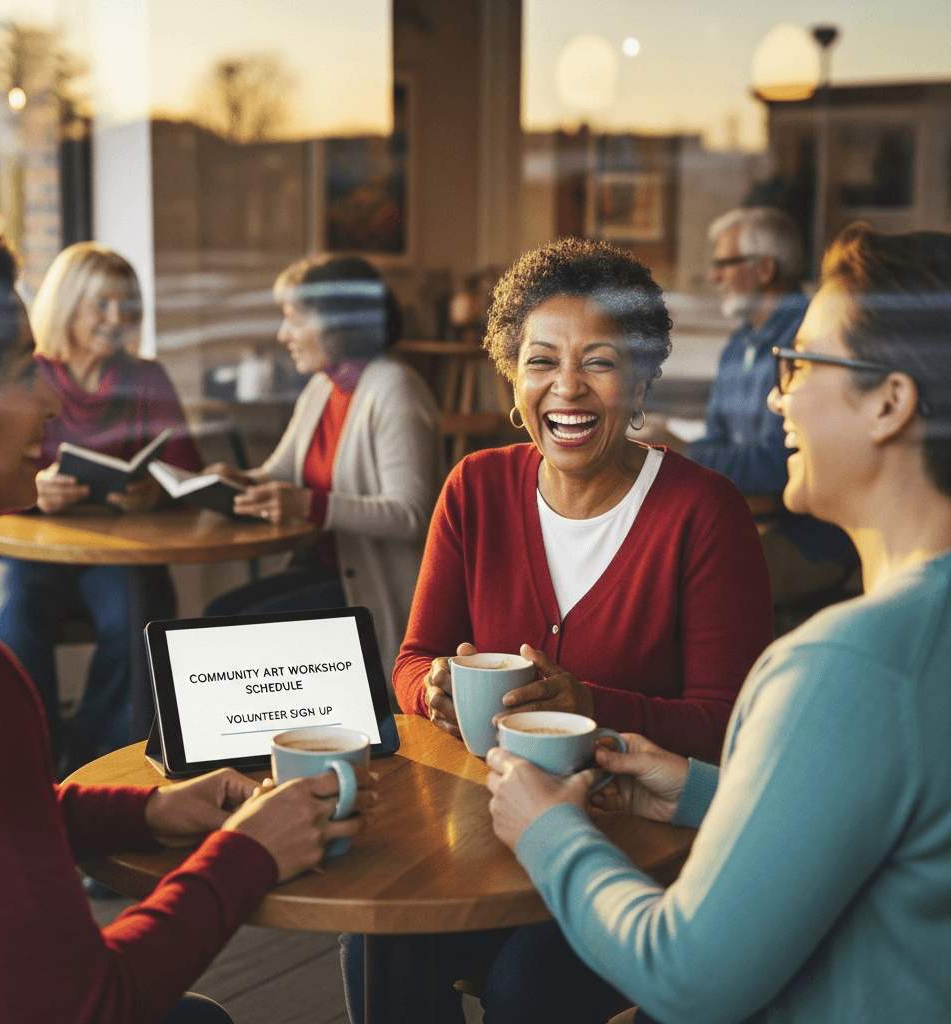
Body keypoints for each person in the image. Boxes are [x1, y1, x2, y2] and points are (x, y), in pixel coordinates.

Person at [486, 224, 951, 1024]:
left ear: (890, 403)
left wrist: (548, 829)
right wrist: (704, 790)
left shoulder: (844, 666)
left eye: (801, 363)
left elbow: (685, 978)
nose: (778, 395)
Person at [0, 217, 376, 1024]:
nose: (46, 404)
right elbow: (84, 1008)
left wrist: (143, 809)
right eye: (19, 371)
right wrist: (250, 853)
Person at [341, 238, 775, 1024]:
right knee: (376, 935)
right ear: (513, 377)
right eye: (541, 361)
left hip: (636, 848)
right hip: (482, 827)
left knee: (527, 989)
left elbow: (725, 731)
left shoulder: (703, 513)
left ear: (642, 377)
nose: (566, 388)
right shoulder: (474, 488)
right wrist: (433, 687)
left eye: (600, 362)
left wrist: (587, 704)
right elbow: (410, 660)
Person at [0, 242, 204, 772]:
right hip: (24, 550)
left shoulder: (147, 377)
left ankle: (103, 767)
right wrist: (35, 489)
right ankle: (33, 766)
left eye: (128, 305)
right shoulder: (24, 373)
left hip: (116, 550)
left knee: (136, 617)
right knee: (13, 617)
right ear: (68, 304)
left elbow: (188, 470)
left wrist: (155, 489)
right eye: (102, 304)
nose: (117, 317)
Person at [202, 254, 443, 685]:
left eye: (294, 319)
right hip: (333, 573)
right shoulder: (321, 387)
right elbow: (282, 472)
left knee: (227, 630)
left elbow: (411, 516)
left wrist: (310, 505)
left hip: (378, 593)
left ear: (337, 324)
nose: (283, 334)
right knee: (216, 617)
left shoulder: (395, 389)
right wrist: (238, 480)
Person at [646, 206, 858, 604]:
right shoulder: (736, 347)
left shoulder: (808, 339)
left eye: (725, 263)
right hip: (746, 521)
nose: (714, 277)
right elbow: (718, 442)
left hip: (810, 538)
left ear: (764, 269)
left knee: (683, 586)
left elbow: (779, 467)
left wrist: (685, 451)